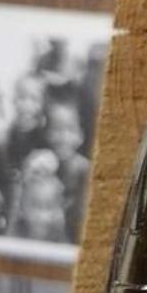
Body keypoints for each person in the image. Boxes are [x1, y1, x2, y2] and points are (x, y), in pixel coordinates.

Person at [0, 74, 49, 214]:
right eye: (21, 97)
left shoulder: (48, 140)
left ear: (43, 103)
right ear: (13, 100)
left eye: (34, 99)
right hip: (9, 211)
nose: (26, 105)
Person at [45, 101, 90, 241]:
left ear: (81, 136)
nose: (63, 137)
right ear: (46, 133)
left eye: (70, 130)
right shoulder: (41, 164)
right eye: (56, 129)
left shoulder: (85, 170)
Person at [12, 149, 69, 243]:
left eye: (43, 172)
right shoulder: (23, 189)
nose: (36, 176)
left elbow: (58, 214)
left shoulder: (55, 187)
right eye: (35, 172)